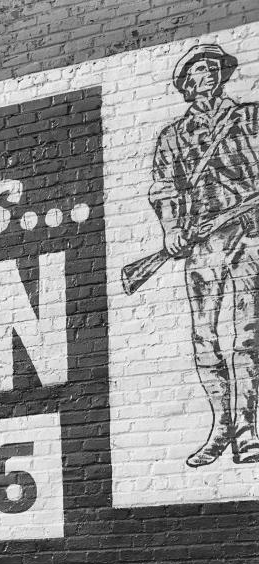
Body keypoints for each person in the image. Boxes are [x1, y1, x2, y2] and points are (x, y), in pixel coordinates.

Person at [149, 43, 259, 467]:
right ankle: (222, 427)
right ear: (185, 83)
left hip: (251, 234)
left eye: (214, 66)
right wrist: (173, 229)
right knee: (205, 339)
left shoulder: (250, 117)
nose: (208, 72)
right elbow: (164, 188)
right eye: (198, 69)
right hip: (204, 242)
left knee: (248, 336)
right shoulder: (173, 137)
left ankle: (248, 430)